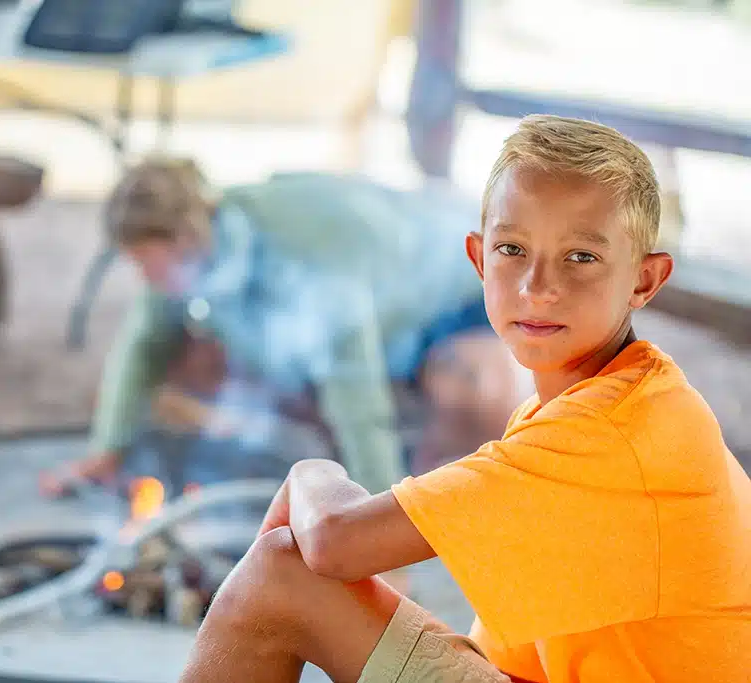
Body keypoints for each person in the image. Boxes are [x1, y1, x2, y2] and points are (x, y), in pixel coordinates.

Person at [176, 115, 751, 683]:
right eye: (513, 250)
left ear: (644, 281)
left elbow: (333, 541)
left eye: (582, 257)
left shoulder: (610, 430)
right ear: (479, 260)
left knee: (282, 574)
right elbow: (505, 660)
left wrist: (310, 471)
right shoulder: (601, 397)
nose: (537, 287)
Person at [40, 160, 529, 498]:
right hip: (370, 314)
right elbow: (143, 343)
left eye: (147, 263)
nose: (144, 278)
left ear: (185, 238)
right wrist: (107, 450)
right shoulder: (190, 250)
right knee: (189, 365)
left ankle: (441, 455)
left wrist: (386, 536)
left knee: (469, 393)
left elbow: (356, 393)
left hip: (454, 291)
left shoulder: (305, 259)